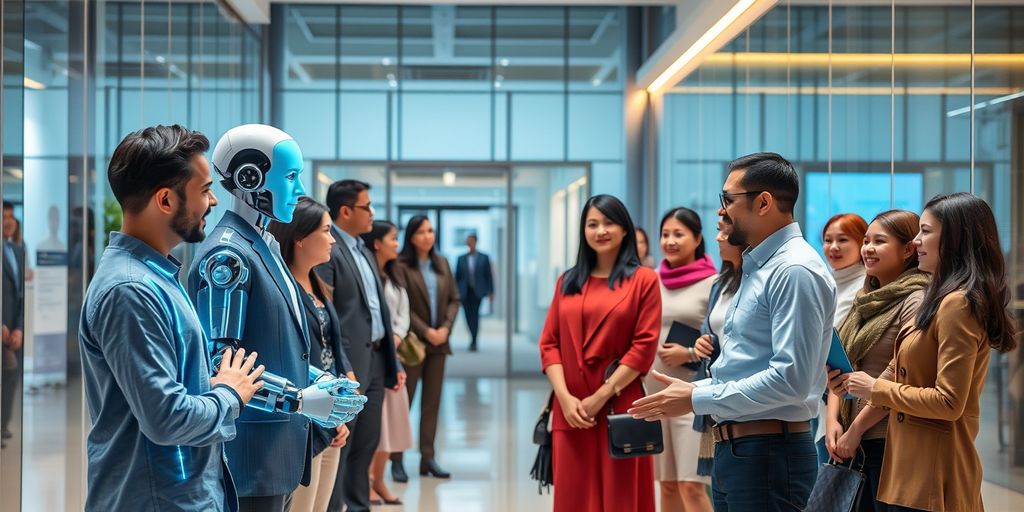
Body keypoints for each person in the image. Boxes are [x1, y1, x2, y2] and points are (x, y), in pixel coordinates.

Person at [630, 152, 836, 512]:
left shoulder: (793, 270)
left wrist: (696, 399)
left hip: (769, 452)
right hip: (739, 450)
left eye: (728, 199)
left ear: (763, 202)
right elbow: (745, 365)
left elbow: (791, 380)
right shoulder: (759, 266)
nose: (721, 211)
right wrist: (694, 388)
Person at [79, 125, 265, 511]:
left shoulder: (157, 277)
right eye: (204, 190)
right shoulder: (130, 290)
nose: (213, 201)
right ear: (165, 200)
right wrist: (229, 393)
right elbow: (165, 418)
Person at [188, 124, 365, 512]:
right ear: (248, 178)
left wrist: (320, 381)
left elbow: (281, 342)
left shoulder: (263, 246)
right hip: (251, 454)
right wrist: (297, 399)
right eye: (289, 176)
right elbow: (218, 364)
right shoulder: (228, 257)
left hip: (277, 449)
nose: (299, 189)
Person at [830, 193, 1017, 512]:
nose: (916, 241)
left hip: (930, 467)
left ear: (955, 238)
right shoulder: (939, 298)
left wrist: (875, 388)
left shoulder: (957, 304)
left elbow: (949, 402)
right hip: (907, 465)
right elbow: (898, 367)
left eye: (926, 231)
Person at [539, 194, 661, 512]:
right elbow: (549, 344)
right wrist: (564, 398)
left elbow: (644, 346)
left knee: (622, 497)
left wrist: (601, 396)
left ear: (624, 230)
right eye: (592, 224)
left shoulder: (644, 280)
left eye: (608, 222)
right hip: (571, 407)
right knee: (573, 497)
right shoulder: (567, 281)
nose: (600, 231)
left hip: (619, 403)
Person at [823, 209, 927, 512]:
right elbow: (843, 365)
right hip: (851, 441)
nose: (867, 249)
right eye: (866, 241)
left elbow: (899, 375)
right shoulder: (864, 299)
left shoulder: (916, 299)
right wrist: (833, 420)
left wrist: (855, 430)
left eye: (879, 242)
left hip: (889, 440)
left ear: (908, 249)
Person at [317, 180, 400, 512]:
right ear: (346, 211)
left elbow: (375, 310)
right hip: (350, 362)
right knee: (343, 443)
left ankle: (358, 505)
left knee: (367, 441)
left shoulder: (363, 250)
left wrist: (394, 363)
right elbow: (327, 311)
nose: (372, 214)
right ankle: (337, 506)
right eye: (367, 207)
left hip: (377, 358)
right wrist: (337, 364)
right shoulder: (329, 249)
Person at [267, 197, 355, 512]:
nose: (332, 239)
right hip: (305, 420)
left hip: (331, 417)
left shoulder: (318, 283)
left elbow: (333, 344)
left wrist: (340, 410)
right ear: (300, 237)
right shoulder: (282, 290)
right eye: (326, 231)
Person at [646, 207, 717, 512]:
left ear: (697, 238)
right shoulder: (651, 280)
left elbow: (720, 339)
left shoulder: (713, 282)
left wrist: (687, 353)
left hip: (692, 395)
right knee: (667, 484)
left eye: (679, 234)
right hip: (653, 392)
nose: (670, 241)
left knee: (692, 485)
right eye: (665, 234)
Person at [393, 215, 460, 479]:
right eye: (421, 232)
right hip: (412, 345)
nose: (427, 236)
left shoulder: (441, 263)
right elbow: (402, 305)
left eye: (431, 231)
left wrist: (445, 328)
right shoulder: (400, 265)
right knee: (405, 403)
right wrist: (426, 331)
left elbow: (455, 299)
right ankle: (396, 459)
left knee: (432, 403)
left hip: (439, 345)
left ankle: (427, 458)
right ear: (411, 237)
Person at [360, 220, 414, 506]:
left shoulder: (394, 275)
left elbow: (403, 314)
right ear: (377, 243)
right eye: (393, 238)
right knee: (374, 426)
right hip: (374, 358)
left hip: (394, 358)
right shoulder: (367, 275)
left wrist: (396, 335)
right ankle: (367, 481)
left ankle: (379, 480)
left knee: (390, 426)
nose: (397, 243)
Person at [691, 219, 746, 476]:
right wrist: (704, 341)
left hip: (741, 391)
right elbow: (711, 330)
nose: (718, 238)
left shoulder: (755, 280)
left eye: (724, 231)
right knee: (717, 483)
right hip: (714, 385)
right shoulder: (719, 283)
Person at [1, 201, 25, 447]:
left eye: (11, 216)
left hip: (11, 328)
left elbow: (20, 295)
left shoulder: (17, 251)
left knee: (10, 372)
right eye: (3, 216)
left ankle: (2, 424)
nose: (9, 221)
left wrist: (19, 326)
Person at [823, 213, 868, 327]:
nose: (833, 247)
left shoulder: (866, 285)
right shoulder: (825, 280)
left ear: (863, 243)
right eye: (828, 240)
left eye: (842, 240)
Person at [454, 233, 494, 352]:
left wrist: (491, 291)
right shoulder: (461, 258)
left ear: (476, 242)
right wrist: (455, 293)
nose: (469, 243)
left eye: (471, 240)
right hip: (464, 291)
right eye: (468, 241)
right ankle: (472, 337)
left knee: (475, 315)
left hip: (478, 291)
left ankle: (474, 340)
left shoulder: (484, 257)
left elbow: (489, 275)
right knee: (467, 315)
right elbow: (457, 277)